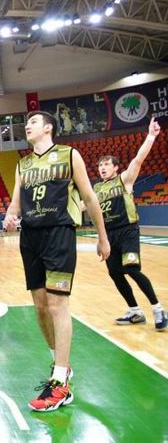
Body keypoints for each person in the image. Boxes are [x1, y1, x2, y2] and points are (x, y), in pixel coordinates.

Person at [2, 110, 110, 412]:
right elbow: (16, 201)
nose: (28, 125)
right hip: (30, 237)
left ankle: (61, 383)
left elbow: (89, 197)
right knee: (40, 305)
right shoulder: (22, 165)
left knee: (57, 304)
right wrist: (10, 217)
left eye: (34, 122)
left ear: (48, 127)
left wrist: (102, 236)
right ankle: (58, 362)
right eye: (27, 123)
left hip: (60, 233)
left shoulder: (69, 155)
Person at [94, 117, 166, 331]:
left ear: (116, 168)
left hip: (128, 231)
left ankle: (158, 309)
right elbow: (80, 206)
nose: (102, 168)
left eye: (106, 164)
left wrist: (151, 136)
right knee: (115, 273)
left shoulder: (124, 180)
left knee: (132, 269)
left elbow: (138, 159)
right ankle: (135, 312)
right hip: (109, 235)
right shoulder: (97, 189)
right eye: (100, 165)